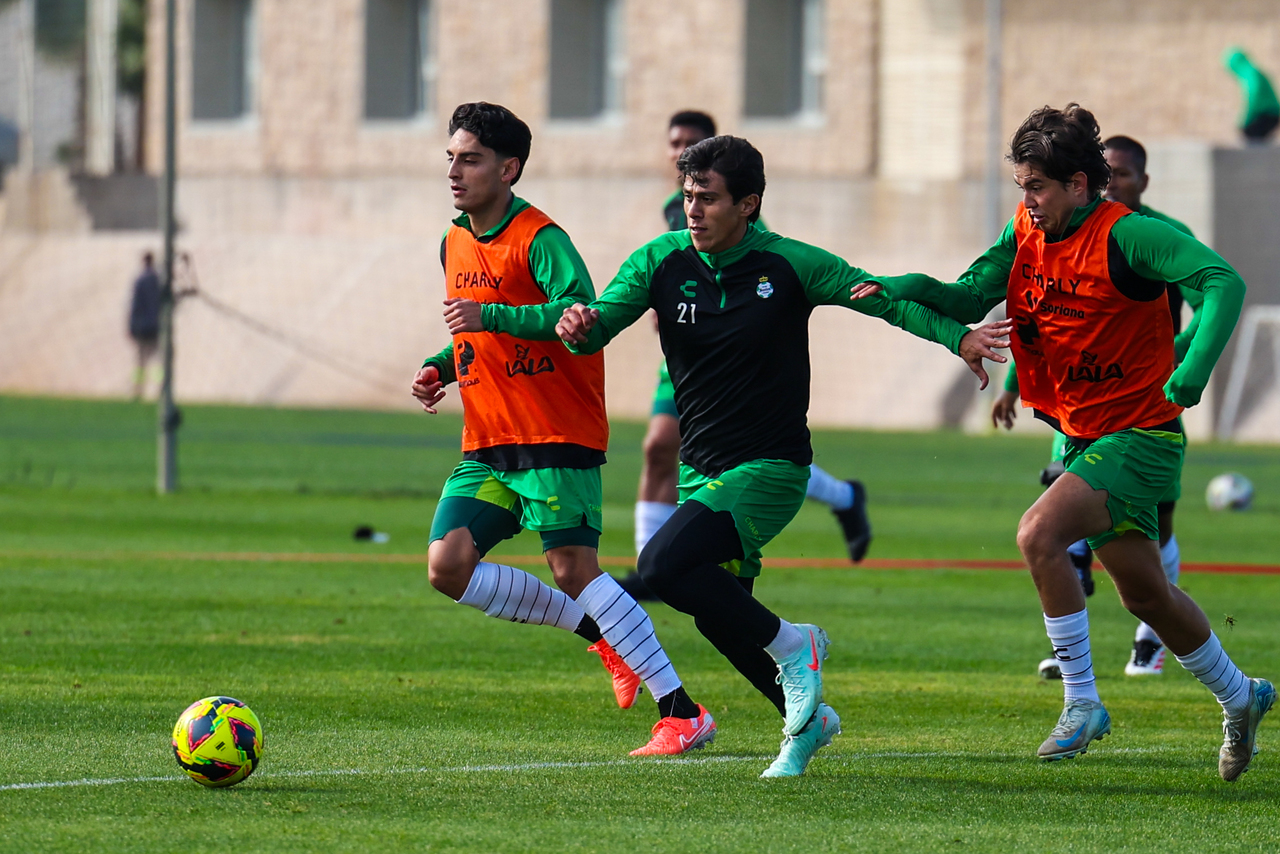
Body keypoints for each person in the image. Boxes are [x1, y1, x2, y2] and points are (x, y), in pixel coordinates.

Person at [556, 135, 1008, 776]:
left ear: (749, 205)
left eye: (708, 199)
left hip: (770, 467)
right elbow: (599, 322)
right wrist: (578, 327)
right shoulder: (659, 261)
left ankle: (797, 646)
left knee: (661, 565)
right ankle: (808, 725)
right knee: (719, 615)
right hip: (701, 469)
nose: (693, 210)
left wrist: (956, 335)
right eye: (688, 196)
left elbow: (883, 299)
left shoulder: (792, 264)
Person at [853, 104, 1273, 780]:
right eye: (1023, 186)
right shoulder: (1026, 228)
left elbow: (1224, 281)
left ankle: (1082, 702)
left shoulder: (1129, 236)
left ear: (1080, 184)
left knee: (1037, 534)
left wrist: (1192, 371)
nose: (1028, 200)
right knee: (1147, 596)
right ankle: (1241, 695)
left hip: (1143, 433)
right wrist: (895, 287)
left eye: (1037, 187)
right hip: (1083, 435)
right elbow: (966, 297)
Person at [411, 102, 714, 757]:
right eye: (451, 159)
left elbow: (576, 315)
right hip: (489, 441)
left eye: (470, 159)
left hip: (553, 434)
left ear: (508, 167)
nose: (455, 173)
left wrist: (489, 315)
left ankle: (682, 711)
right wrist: (441, 369)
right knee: (448, 565)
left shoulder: (541, 239)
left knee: (575, 570)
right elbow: (473, 335)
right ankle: (603, 637)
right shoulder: (453, 240)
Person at [621, 112, 870, 604]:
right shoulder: (675, 210)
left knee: (732, 454)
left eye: (690, 142)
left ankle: (842, 497)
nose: (679, 151)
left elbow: (760, 275)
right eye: (674, 143)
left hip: (731, 356)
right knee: (658, 448)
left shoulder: (744, 219)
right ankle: (650, 565)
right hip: (686, 353)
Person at [992, 134, 1203, 679]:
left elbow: (1211, 296)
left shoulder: (1154, 236)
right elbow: (1040, 316)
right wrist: (1013, 380)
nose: (1117, 181)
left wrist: (1183, 361)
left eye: (1126, 174)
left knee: (1100, 529)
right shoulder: (1047, 232)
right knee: (1094, 549)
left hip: (1143, 406)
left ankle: (1117, 659)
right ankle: (1232, 690)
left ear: (1143, 182)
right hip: (1074, 407)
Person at [1224, 48, 1279, 144]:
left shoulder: (1251, 74)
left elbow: (1253, 98)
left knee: (1249, 134)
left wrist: (1246, 119)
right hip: (1269, 114)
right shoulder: (1252, 73)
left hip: (1268, 114)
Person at [128, 252, 162, 400]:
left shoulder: (140, 281)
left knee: (140, 360)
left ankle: (138, 390)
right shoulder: (158, 281)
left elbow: (135, 306)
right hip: (155, 326)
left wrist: (132, 326)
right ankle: (159, 389)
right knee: (156, 359)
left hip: (142, 327)